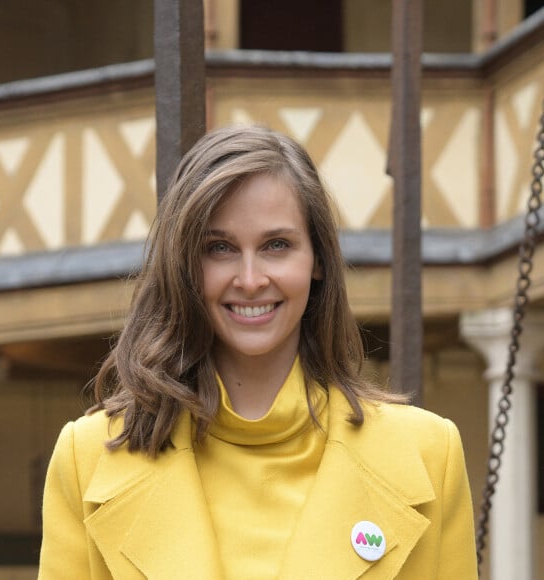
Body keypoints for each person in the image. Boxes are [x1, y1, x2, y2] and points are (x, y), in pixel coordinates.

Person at [39, 125, 478, 579]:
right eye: (220, 248)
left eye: (277, 245)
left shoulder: (430, 454)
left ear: (319, 260)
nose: (250, 280)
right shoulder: (87, 459)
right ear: (184, 264)